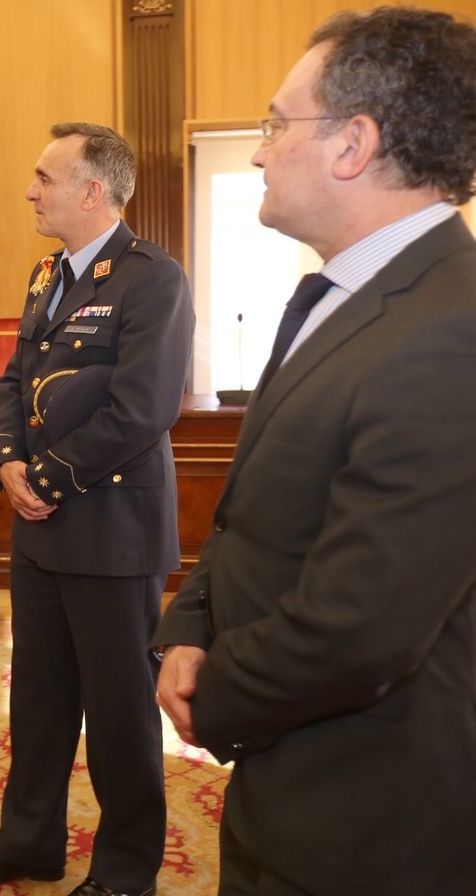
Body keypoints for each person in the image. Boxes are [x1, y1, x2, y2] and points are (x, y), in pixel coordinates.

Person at [154, 8, 476, 894]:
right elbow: (252, 505)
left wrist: (210, 697)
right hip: (294, 760)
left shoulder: (451, 329)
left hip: (368, 804)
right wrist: (185, 632)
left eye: (273, 124)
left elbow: (362, 627)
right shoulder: (337, 291)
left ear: (352, 144)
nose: (259, 151)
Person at [0, 122, 193, 896]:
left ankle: (125, 872)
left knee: (120, 715)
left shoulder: (152, 277)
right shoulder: (46, 273)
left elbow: (143, 409)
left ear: (93, 189)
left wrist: (45, 479)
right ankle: (29, 844)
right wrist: (7, 462)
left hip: (112, 530)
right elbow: (15, 381)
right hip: (39, 527)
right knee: (39, 700)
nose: (30, 191)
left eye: (44, 178)